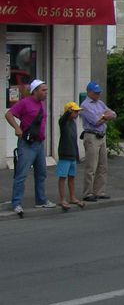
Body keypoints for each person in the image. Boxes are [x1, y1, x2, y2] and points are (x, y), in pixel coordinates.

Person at [5, 79, 54, 215]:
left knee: (41, 173)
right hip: (27, 144)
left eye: (46, 90)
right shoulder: (25, 103)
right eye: (43, 90)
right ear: (35, 91)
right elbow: (8, 114)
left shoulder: (41, 104)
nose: (46, 93)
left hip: (39, 143)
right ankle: (16, 203)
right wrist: (16, 128)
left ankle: (41, 200)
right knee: (21, 174)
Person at [79, 80, 116, 202]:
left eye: (99, 92)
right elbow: (95, 121)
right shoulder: (85, 105)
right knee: (91, 166)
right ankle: (87, 193)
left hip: (102, 136)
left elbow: (113, 114)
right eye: (96, 93)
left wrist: (104, 116)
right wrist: (105, 116)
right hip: (92, 136)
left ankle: (99, 191)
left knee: (102, 165)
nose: (98, 95)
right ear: (89, 92)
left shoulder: (100, 103)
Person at [56, 101, 85, 211]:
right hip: (64, 154)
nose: (77, 114)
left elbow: (74, 140)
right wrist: (67, 113)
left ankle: (72, 197)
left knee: (72, 177)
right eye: (75, 111)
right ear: (69, 112)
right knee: (63, 177)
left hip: (72, 154)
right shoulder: (63, 122)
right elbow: (62, 120)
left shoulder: (73, 123)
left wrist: (77, 155)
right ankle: (62, 198)